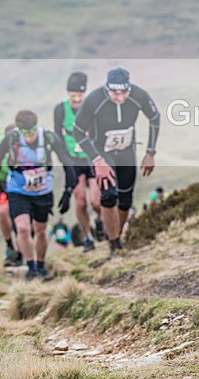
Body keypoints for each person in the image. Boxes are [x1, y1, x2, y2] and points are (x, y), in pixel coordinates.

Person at [72, 67, 160, 257]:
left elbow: (155, 117)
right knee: (109, 195)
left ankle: (117, 235)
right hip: (102, 153)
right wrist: (97, 160)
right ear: (107, 88)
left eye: (123, 92)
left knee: (126, 199)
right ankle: (114, 243)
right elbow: (78, 131)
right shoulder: (94, 99)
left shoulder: (139, 95)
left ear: (129, 88)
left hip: (127, 151)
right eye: (114, 92)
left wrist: (150, 152)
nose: (119, 97)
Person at [0, 110, 76, 280]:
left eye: (32, 132)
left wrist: (68, 191)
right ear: (19, 130)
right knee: (23, 228)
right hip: (18, 190)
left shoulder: (49, 138)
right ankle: (31, 267)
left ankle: (41, 267)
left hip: (43, 191)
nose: (29, 137)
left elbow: (67, 161)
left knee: (40, 231)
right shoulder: (11, 139)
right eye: (25, 133)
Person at [54, 71, 104, 253]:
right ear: (68, 94)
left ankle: (100, 220)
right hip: (73, 161)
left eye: (80, 95)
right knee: (81, 202)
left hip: (92, 158)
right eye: (73, 95)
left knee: (96, 201)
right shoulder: (60, 110)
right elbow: (57, 138)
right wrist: (66, 162)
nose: (76, 99)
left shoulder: (93, 108)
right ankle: (88, 238)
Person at [0, 125, 23, 267]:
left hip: (21, 181)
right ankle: (10, 247)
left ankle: (21, 252)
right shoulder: (1, 144)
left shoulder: (27, 145)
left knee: (20, 218)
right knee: (2, 213)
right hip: (3, 182)